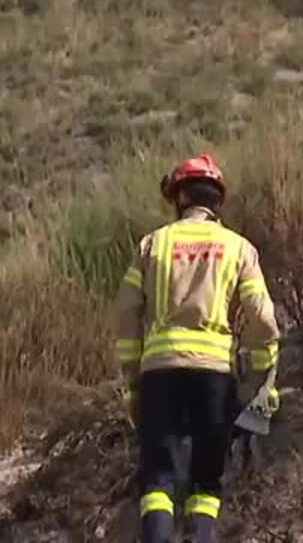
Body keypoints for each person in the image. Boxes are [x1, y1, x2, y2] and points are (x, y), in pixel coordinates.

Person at [115, 154, 281, 543]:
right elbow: (263, 319)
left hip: (159, 374)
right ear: (217, 201)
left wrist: (133, 382)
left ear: (180, 197)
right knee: (206, 482)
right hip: (214, 376)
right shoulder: (239, 248)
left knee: (158, 478)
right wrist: (262, 376)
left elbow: (126, 312)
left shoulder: (153, 244)